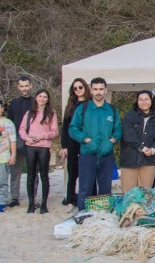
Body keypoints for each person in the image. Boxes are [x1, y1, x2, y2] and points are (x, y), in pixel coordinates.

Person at [68, 77, 122, 211]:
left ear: (106, 90)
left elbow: (118, 130)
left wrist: (112, 141)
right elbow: (73, 128)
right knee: (85, 189)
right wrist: (86, 140)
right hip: (87, 154)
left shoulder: (112, 110)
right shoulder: (83, 109)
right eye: (95, 89)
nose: (98, 92)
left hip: (106, 155)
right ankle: (83, 215)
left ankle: (104, 217)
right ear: (91, 90)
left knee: (105, 189)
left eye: (101, 89)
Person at [19, 89, 59, 214]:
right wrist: (27, 138)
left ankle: (43, 204)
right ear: (36, 98)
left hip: (44, 147)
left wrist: (42, 136)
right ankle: (31, 203)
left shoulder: (51, 113)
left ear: (48, 99)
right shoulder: (29, 113)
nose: (42, 99)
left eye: (45, 97)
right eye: (40, 96)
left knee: (44, 175)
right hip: (30, 146)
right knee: (31, 175)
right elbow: (21, 129)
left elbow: (55, 132)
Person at [120, 90, 155, 193]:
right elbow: (128, 135)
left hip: (149, 161)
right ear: (137, 101)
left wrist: (153, 150)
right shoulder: (130, 116)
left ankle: (142, 210)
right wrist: (142, 148)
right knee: (128, 194)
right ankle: (128, 210)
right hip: (130, 160)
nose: (143, 102)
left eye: (146, 99)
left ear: (151, 101)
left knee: (146, 194)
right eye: (141, 99)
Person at [60, 78, 90, 207]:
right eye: (75, 88)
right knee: (72, 171)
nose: (78, 90)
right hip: (72, 142)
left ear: (85, 88)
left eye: (80, 87)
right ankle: (70, 196)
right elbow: (65, 126)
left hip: (86, 141)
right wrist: (64, 145)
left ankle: (85, 197)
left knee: (85, 171)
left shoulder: (90, 104)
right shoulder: (70, 105)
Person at [6, 76, 34, 208]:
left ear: (31, 86)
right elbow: (9, 122)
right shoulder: (14, 103)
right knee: (15, 170)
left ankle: (32, 197)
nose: (24, 88)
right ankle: (14, 198)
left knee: (33, 170)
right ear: (18, 87)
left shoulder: (36, 102)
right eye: (21, 86)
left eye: (26, 86)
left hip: (32, 139)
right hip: (16, 139)